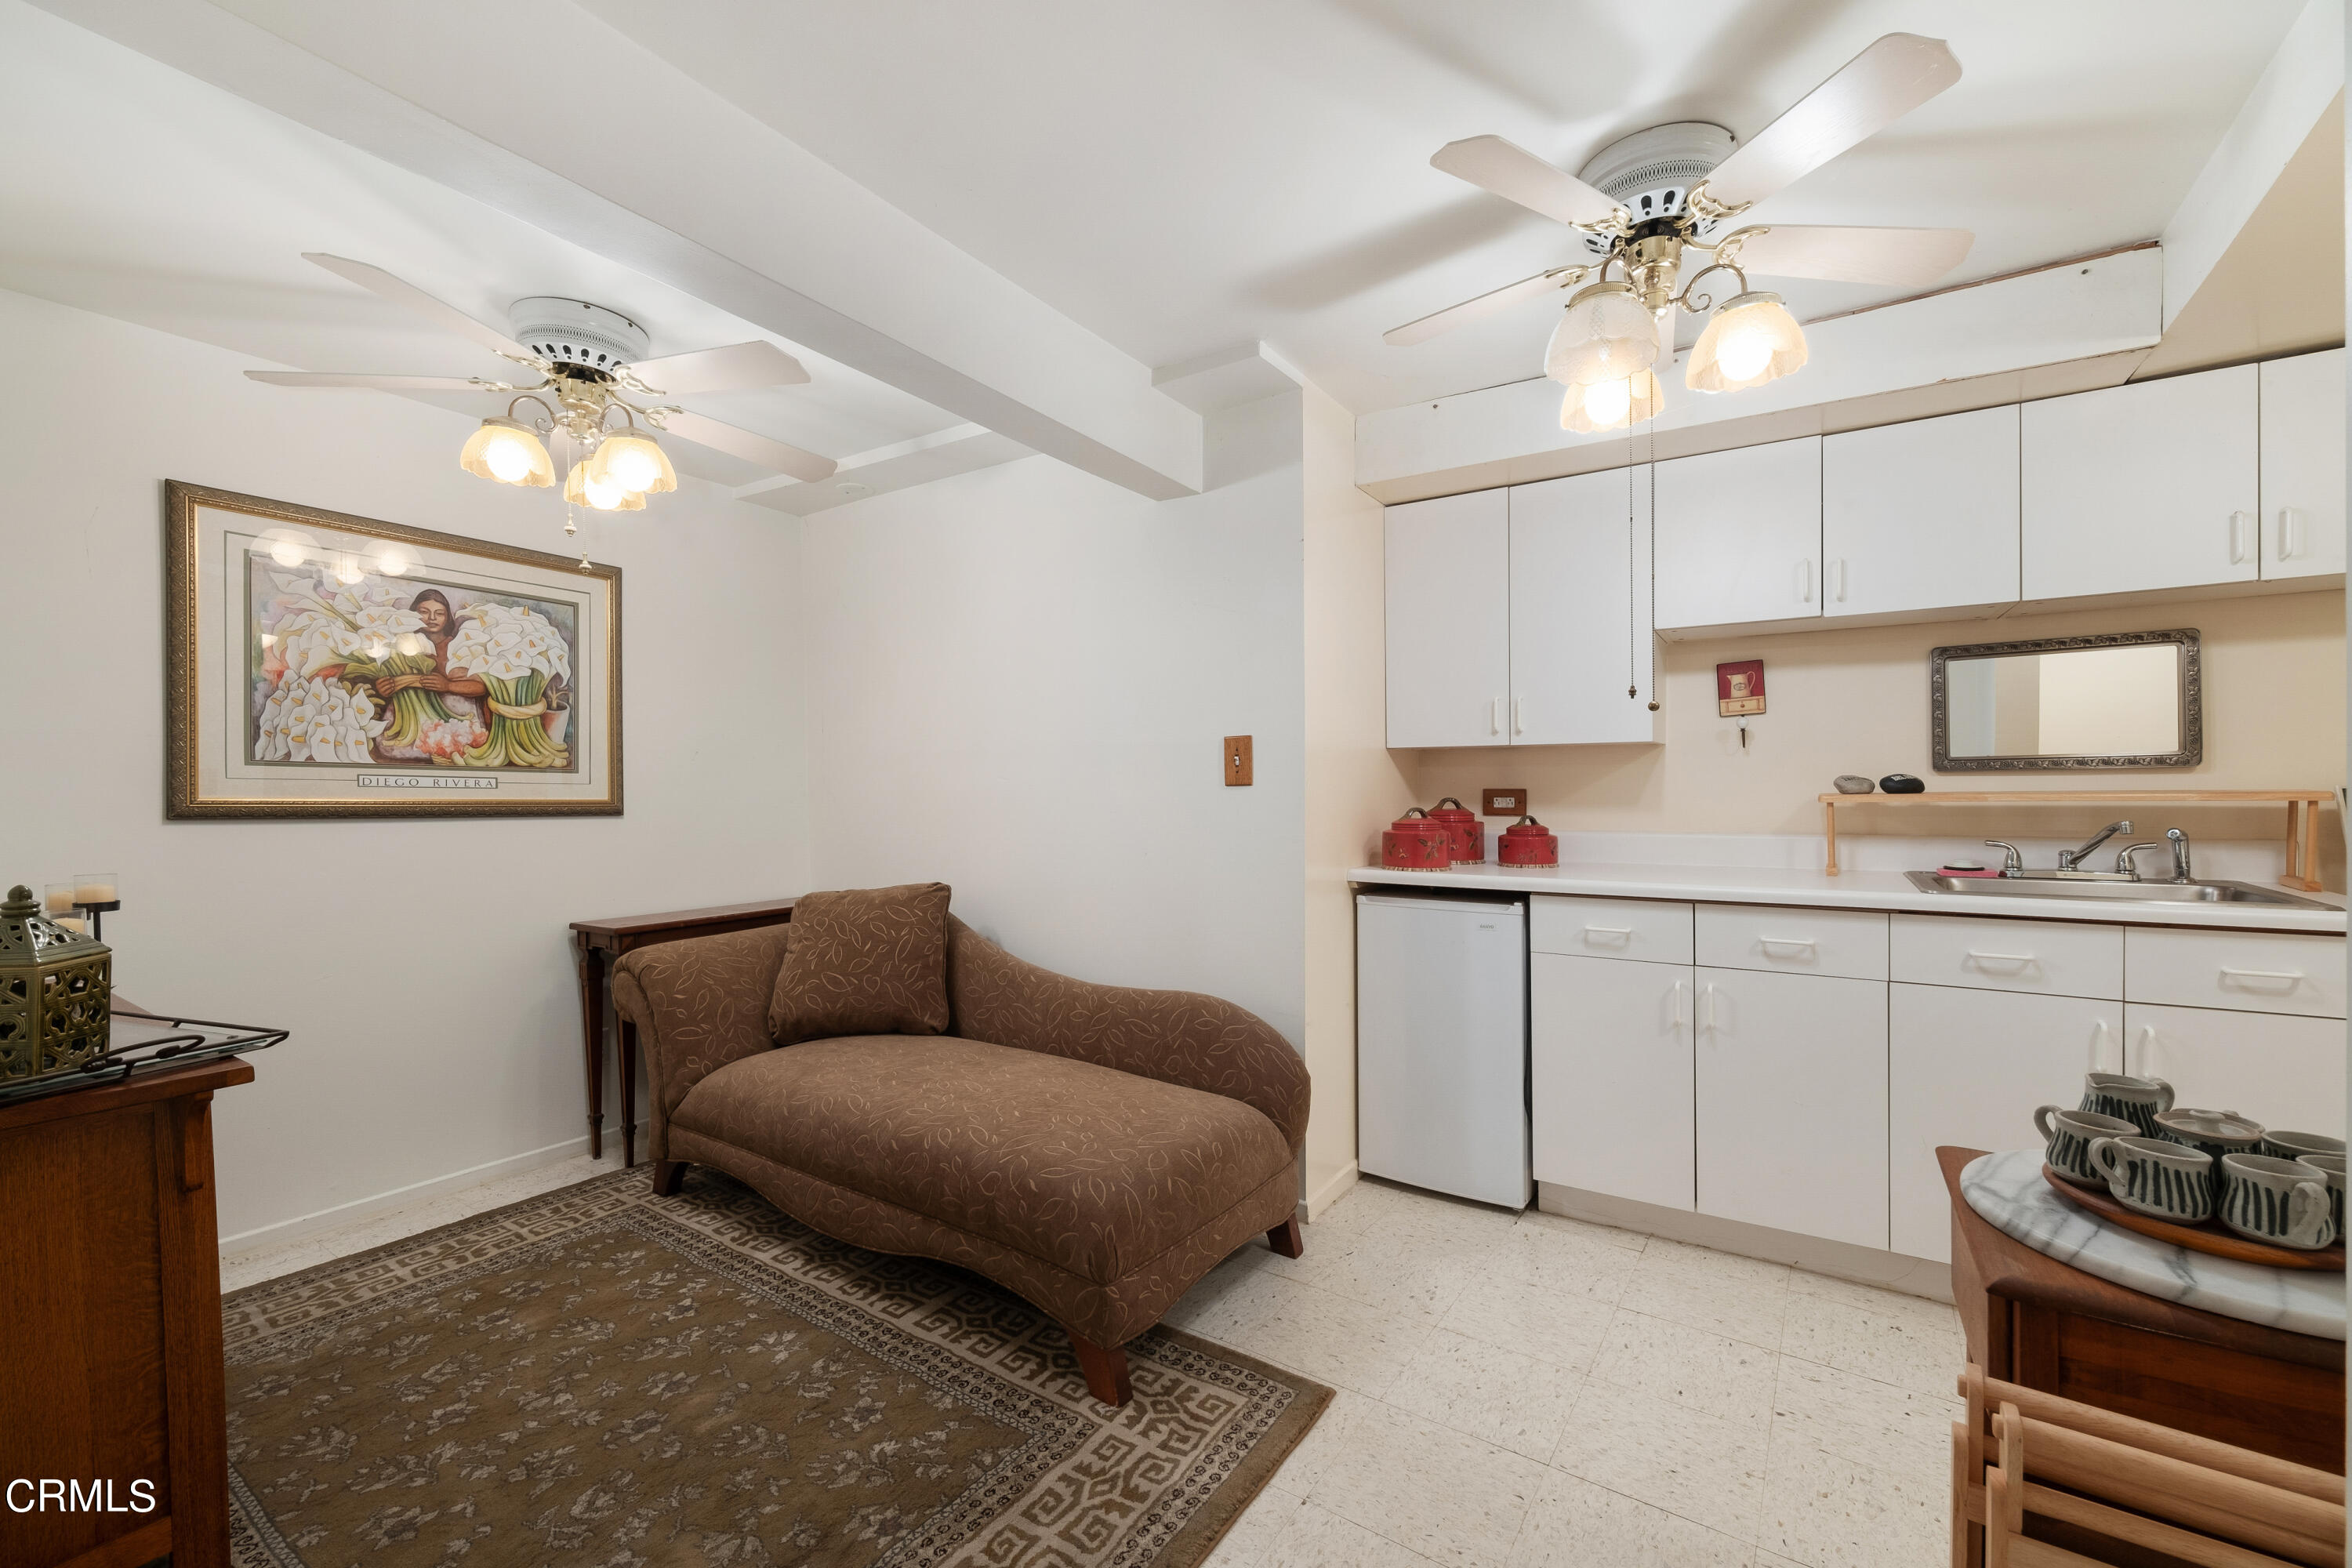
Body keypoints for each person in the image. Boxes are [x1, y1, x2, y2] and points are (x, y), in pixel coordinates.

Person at [372, 589, 488, 702]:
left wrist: (448, 686)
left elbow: (481, 687)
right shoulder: (403, 646)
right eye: (424, 612)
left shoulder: (460, 646)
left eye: (439, 613)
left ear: (447, 617)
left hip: (460, 710)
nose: (432, 618)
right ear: (412, 615)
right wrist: (385, 687)